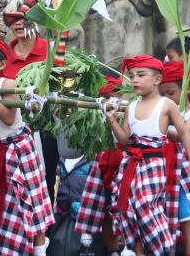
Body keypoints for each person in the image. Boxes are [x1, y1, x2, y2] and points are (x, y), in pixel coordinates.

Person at [0, 35, 54, 256]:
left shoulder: (7, 83)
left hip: (19, 148)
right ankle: (3, 248)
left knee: (32, 200)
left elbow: (8, 118)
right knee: (3, 204)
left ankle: (39, 250)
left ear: (2, 64)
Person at [108, 55, 190, 256]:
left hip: (153, 164)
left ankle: (164, 249)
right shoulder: (131, 106)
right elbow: (125, 142)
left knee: (145, 206)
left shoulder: (166, 104)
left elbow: (184, 133)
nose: (135, 80)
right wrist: (112, 122)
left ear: (157, 80)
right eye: (132, 76)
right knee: (128, 210)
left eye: (141, 75)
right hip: (131, 164)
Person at [2, 15, 58, 210]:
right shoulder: (4, 53)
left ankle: (44, 235)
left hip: (44, 126)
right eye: (12, 19)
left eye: (24, 18)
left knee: (45, 179)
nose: (18, 24)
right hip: (8, 126)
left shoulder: (51, 49)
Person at [74, 74, 124, 256]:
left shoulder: (129, 107)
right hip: (101, 162)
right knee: (102, 209)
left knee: (122, 209)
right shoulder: (92, 107)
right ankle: (113, 251)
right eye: (106, 96)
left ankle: (130, 248)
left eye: (115, 94)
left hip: (124, 162)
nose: (112, 100)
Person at [158, 61, 190, 256]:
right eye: (163, 94)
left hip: (185, 168)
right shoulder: (161, 112)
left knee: (186, 212)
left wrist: (157, 125)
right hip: (163, 167)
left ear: (186, 88)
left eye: (171, 93)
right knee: (162, 209)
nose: (167, 98)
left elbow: (181, 134)